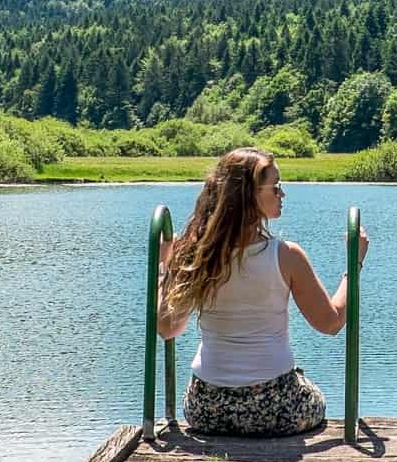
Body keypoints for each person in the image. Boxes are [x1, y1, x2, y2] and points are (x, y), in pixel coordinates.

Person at [157, 146, 369, 436]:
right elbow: (330, 323)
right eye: (276, 187)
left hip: (206, 407)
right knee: (313, 395)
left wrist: (163, 267)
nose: (283, 194)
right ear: (249, 196)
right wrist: (353, 264)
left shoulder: (193, 254)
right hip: (275, 408)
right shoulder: (286, 256)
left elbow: (168, 328)